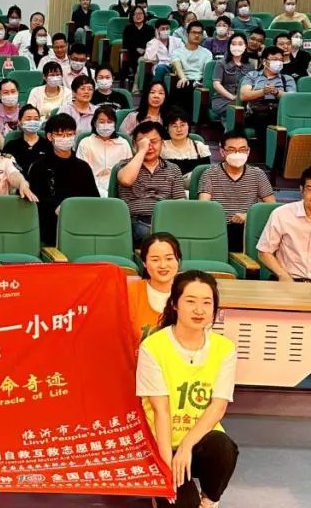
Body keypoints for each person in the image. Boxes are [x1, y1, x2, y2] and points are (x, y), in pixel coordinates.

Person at [137, 271, 239, 508]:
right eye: (190, 301)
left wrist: (186, 447)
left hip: (198, 442)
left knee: (223, 447)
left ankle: (209, 501)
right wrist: (166, 467)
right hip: (162, 445)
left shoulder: (225, 348)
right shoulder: (153, 347)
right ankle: (159, 489)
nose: (199, 310)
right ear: (175, 304)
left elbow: (218, 407)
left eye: (207, 303)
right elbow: (161, 411)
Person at [26, 113, 99, 245]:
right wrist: (55, 208)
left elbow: (93, 200)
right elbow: (35, 201)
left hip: (80, 225)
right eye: (60, 135)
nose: (65, 138)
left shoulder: (83, 167)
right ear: (50, 136)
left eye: (69, 134)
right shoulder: (39, 167)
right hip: (49, 226)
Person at [198, 131, 275, 250]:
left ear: (248, 151)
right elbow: (204, 206)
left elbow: (271, 206)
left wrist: (248, 216)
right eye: (232, 150)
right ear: (222, 152)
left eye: (242, 149)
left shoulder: (258, 174)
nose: (237, 154)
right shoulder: (209, 174)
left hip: (248, 226)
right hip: (220, 227)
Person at [118, 121, 185, 245]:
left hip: (165, 220)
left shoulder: (173, 169)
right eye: (143, 143)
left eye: (153, 142)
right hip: (134, 221)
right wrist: (141, 151)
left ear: (162, 143)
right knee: (149, 234)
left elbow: (180, 203)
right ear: (134, 144)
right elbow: (126, 180)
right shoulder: (125, 165)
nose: (149, 147)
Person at [126, 233, 182, 344]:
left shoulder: (190, 292)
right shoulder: (129, 291)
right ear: (144, 263)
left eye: (169, 258)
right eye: (155, 260)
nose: (163, 265)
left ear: (178, 260)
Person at [75, 105, 132, 197]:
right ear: (94, 123)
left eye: (109, 122)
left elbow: (128, 171)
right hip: (92, 186)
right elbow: (81, 173)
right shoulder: (85, 143)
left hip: (118, 186)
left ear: (114, 124)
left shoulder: (123, 144)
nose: (106, 125)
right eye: (101, 122)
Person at [170, 23, 213, 114]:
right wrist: (183, 78)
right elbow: (177, 66)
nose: (197, 35)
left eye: (200, 33)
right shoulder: (177, 52)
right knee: (183, 86)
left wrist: (201, 83)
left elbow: (207, 72)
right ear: (187, 34)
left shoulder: (207, 53)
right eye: (194, 32)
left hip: (199, 82)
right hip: (184, 80)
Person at [211, 34, 254, 121]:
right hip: (223, 100)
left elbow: (252, 85)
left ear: (245, 46)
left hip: (243, 100)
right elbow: (216, 84)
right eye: (233, 44)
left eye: (240, 44)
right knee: (237, 111)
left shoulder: (250, 66)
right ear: (229, 46)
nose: (237, 47)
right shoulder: (221, 63)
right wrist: (232, 97)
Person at [161, 109, 211, 180]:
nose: (179, 129)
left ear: (188, 126)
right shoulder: (161, 147)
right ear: (167, 128)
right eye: (174, 126)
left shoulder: (199, 147)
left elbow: (207, 174)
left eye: (182, 125)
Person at [1, 105, 51, 172]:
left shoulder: (49, 145)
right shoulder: (11, 145)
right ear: (19, 121)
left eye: (36, 119)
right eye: (28, 119)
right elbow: (3, 168)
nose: (32, 122)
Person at [144, 19, 182, 88]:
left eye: (167, 28)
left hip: (176, 66)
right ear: (157, 30)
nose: (165, 31)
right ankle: (154, 88)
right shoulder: (152, 43)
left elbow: (183, 53)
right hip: (161, 67)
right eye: (163, 29)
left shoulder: (177, 41)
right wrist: (157, 40)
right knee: (161, 67)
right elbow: (149, 58)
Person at [121, 6, 154, 84]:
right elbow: (126, 44)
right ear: (132, 16)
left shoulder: (149, 29)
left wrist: (145, 50)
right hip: (132, 53)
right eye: (136, 14)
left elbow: (153, 43)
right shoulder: (128, 29)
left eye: (140, 13)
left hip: (147, 53)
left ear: (144, 15)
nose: (138, 16)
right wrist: (136, 48)